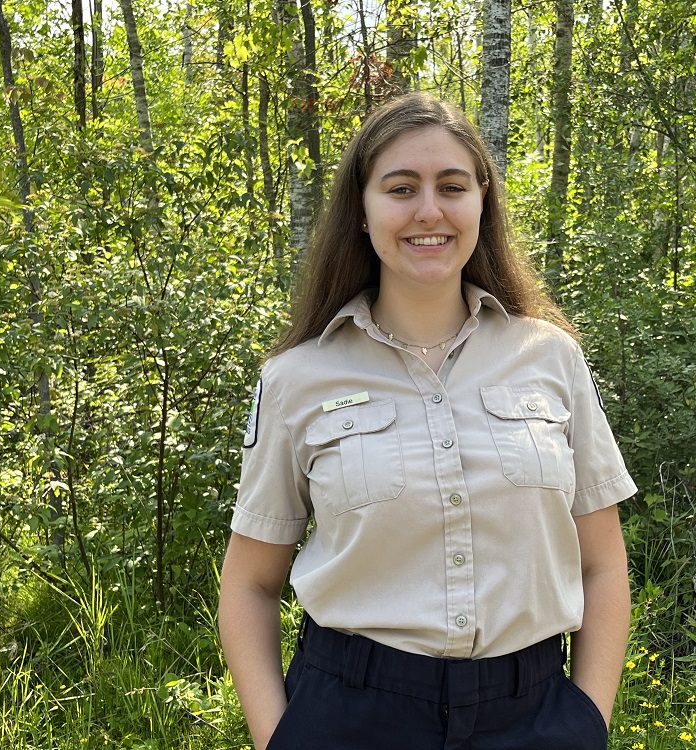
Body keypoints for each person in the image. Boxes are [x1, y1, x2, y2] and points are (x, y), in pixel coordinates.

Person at [218, 92, 637, 750]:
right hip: (352, 717)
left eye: (451, 186)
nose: (429, 210)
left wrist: (587, 720)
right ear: (362, 211)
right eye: (401, 188)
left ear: (481, 201)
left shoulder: (550, 357)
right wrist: (280, 739)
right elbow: (249, 583)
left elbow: (603, 565)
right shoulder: (297, 379)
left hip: (534, 717)